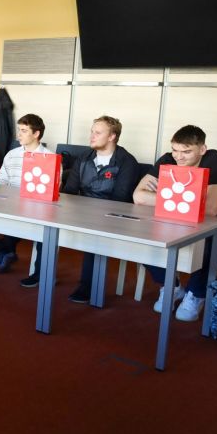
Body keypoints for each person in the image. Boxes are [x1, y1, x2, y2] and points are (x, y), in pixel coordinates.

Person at [133, 125, 217, 321]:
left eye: (186, 152)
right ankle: (171, 286)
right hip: (173, 217)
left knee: (209, 242)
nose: (179, 157)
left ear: (202, 149)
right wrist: (185, 198)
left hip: (215, 220)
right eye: (175, 150)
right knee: (139, 236)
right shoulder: (167, 159)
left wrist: (166, 194)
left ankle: (196, 293)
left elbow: (212, 208)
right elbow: (139, 197)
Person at [61, 115, 138, 303]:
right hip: (82, 213)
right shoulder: (84, 157)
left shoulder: (127, 161)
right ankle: (40, 274)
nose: (92, 136)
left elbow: (120, 200)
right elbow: (70, 191)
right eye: (92, 132)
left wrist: (89, 214)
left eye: (97, 133)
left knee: (94, 235)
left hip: (111, 217)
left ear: (112, 136)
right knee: (47, 226)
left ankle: (87, 286)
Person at [0, 114, 54, 274]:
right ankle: (4, 252)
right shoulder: (12, 154)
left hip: (35, 208)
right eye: (19, 130)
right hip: (9, 203)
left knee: (19, 220)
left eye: (24, 131)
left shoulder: (50, 158)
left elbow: (52, 191)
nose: (18, 135)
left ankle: (1, 252)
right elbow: (0, 184)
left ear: (36, 133)